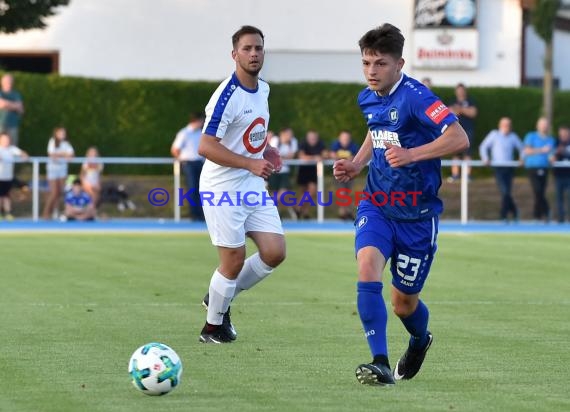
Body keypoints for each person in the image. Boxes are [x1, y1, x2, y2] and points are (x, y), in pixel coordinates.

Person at [333, 23, 469, 386]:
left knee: (403, 304)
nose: (371, 72)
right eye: (365, 63)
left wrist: (412, 154)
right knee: (367, 270)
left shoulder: (417, 96)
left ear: (399, 63)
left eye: (379, 64)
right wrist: (358, 163)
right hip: (377, 203)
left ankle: (420, 340)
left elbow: (459, 137)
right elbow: (375, 130)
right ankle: (379, 361)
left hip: (417, 215)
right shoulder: (368, 96)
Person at [197, 25, 286, 344]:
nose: (254, 54)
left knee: (274, 252)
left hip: (251, 186)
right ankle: (212, 326)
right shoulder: (227, 95)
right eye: (247, 49)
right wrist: (250, 162)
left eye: (259, 48)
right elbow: (205, 146)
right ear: (234, 54)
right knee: (232, 261)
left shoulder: (263, 89)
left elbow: (252, 135)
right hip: (222, 189)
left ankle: (220, 295)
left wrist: (267, 151)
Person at [479, 117, 524, 222]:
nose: (506, 127)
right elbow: (483, 146)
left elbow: (522, 148)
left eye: (508, 125)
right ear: (500, 125)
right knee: (505, 192)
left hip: (509, 167)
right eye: (504, 125)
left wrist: (522, 158)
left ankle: (510, 213)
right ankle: (506, 214)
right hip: (498, 167)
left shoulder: (513, 136)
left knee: (507, 192)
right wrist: (485, 158)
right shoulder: (494, 134)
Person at [171, 112, 206, 221]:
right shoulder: (184, 133)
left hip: (200, 163)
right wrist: (183, 161)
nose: (203, 123)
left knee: (202, 189)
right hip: (189, 164)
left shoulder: (201, 133)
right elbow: (175, 149)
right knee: (192, 189)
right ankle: (195, 214)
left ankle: (202, 214)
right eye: (202, 121)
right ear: (197, 121)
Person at [523, 117, 555, 222]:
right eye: (542, 124)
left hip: (544, 168)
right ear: (537, 125)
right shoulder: (531, 136)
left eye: (545, 124)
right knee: (537, 191)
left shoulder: (551, 139)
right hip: (533, 167)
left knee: (541, 192)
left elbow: (551, 154)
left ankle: (539, 216)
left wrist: (552, 157)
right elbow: (527, 151)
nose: (544, 126)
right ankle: (543, 212)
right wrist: (542, 150)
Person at [42, 127, 74, 220]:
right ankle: (46, 213)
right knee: (54, 192)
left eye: (64, 133)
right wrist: (64, 154)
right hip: (52, 170)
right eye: (60, 133)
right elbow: (52, 155)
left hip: (62, 170)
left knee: (60, 192)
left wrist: (61, 154)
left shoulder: (67, 144)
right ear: (56, 134)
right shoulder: (52, 142)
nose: (62, 134)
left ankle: (56, 212)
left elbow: (71, 156)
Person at [447, 83, 477, 182]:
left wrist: (460, 109)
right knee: (455, 153)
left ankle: (467, 176)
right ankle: (455, 175)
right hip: (455, 131)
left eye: (462, 90)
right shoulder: (452, 101)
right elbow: (449, 112)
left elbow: (473, 113)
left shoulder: (470, 101)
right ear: (456, 91)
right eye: (459, 90)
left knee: (467, 154)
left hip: (468, 130)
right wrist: (462, 110)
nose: (460, 92)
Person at [295, 129, 327, 219]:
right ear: (307, 137)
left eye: (314, 137)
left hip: (314, 170)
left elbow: (325, 154)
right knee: (303, 192)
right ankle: (304, 212)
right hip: (303, 169)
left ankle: (297, 207)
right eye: (311, 137)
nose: (313, 139)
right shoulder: (303, 143)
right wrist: (314, 157)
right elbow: (301, 156)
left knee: (311, 191)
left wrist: (322, 156)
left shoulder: (320, 143)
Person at [267, 127, 298, 217]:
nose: (290, 136)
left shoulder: (293, 141)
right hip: (274, 171)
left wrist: (281, 157)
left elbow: (291, 156)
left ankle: (270, 209)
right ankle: (275, 213)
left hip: (285, 171)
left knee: (283, 192)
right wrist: (281, 157)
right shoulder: (275, 140)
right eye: (288, 134)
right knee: (274, 193)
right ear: (282, 133)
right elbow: (274, 156)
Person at [330, 130, 359, 220]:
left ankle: (346, 211)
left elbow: (355, 157)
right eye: (343, 138)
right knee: (342, 192)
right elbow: (332, 154)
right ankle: (343, 212)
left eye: (347, 138)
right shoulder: (335, 144)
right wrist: (346, 158)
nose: (345, 140)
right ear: (340, 138)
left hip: (349, 173)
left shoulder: (353, 146)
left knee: (347, 192)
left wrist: (340, 157)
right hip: (339, 172)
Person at [0, 132, 28, 220]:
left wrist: (23, 155)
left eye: (7, 139)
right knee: (1, 196)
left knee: (6, 195)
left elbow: (23, 154)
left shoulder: (11, 149)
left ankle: (8, 213)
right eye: (4, 139)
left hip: (8, 177)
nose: (6, 141)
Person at [551, 125, 570, 223]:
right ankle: (560, 218)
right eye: (562, 133)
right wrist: (555, 154)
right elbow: (551, 156)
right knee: (559, 197)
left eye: (566, 133)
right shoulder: (555, 142)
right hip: (558, 174)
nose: (564, 135)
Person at [0, 74, 25, 147]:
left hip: (13, 125)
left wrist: (6, 103)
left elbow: (21, 109)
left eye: (10, 81)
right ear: (2, 82)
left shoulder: (16, 94)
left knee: (13, 147)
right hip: (1, 124)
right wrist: (15, 105)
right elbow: (1, 104)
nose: (8, 83)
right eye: (6, 81)